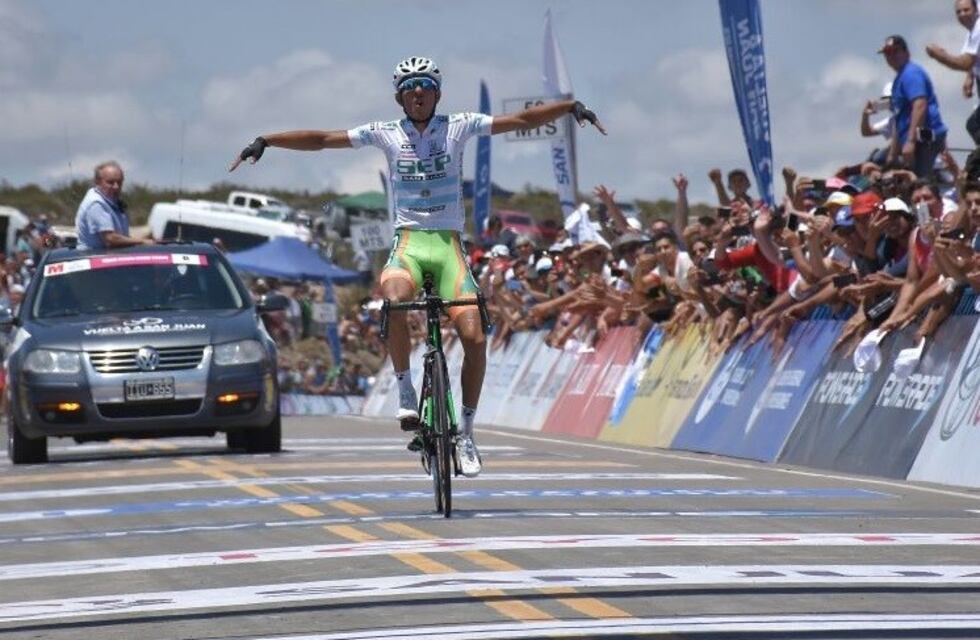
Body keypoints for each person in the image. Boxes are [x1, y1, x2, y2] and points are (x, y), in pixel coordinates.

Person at [230, 55, 605, 477]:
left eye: (425, 84)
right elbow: (321, 139)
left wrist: (570, 108)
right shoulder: (385, 133)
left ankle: (465, 432)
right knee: (392, 299)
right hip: (408, 244)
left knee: (474, 335)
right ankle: (406, 391)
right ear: (400, 98)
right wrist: (267, 139)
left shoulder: (458, 126)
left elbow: (520, 119)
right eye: (410, 87)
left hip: (448, 247)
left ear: (437, 92)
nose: (418, 91)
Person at [878, 35, 949, 178]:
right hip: (912, 141)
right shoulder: (900, 78)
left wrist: (911, 141)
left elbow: (920, 105)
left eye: (895, 51)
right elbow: (900, 117)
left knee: (921, 182)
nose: (891, 56)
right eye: (887, 53)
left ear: (906, 53)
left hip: (925, 140)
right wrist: (893, 152)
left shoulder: (911, 73)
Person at [926, 0, 980, 144]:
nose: (962, 15)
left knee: (975, 125)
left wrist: (940, 56)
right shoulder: (973, 30)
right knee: (974, 124)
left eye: (966, 10)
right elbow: (973, 58)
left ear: (976, 10)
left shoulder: (978, 29)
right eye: (958, 12)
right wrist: (970, 77)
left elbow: (965, 62)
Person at [74, 161, 153, 250]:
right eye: (110, 182)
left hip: (110, 258)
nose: (116, 187)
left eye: (119, 182)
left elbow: (121, 235)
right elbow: (110, 239)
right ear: (97, 182)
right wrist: (141, 242)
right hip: (93, 259)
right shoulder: (96, 204)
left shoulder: (111, 201)